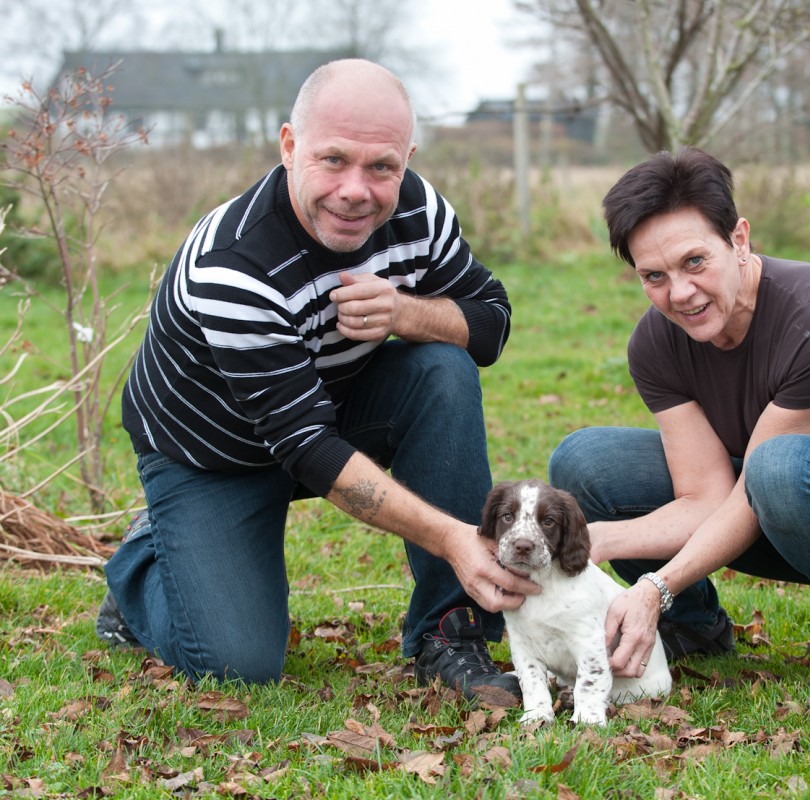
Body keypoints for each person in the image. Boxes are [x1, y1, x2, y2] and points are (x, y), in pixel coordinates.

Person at [95, 59, 539, 699]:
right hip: (212, 455)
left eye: (383, 166)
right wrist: (457, 537)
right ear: (289, 146)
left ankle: (451, 634)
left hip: (327, 407)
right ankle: (144, 564)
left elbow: (490, 324)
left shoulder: (420, 211)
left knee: (442, 365)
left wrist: (406, 312)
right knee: (238, 665)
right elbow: (307, 449)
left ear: (407, 159)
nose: (358, 190)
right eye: (333, 160)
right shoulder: (233, 264)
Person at [548, 148, 810, 702]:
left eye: (695, 262)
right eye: (654, 276)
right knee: (583, 462)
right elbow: (705, 496)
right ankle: (693, 625)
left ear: (739, 240)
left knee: (780, 464)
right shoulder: (655, 342)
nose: (680, 294)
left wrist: (654, 587)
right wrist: (595, 541)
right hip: (773, 508)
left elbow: (756, 487)